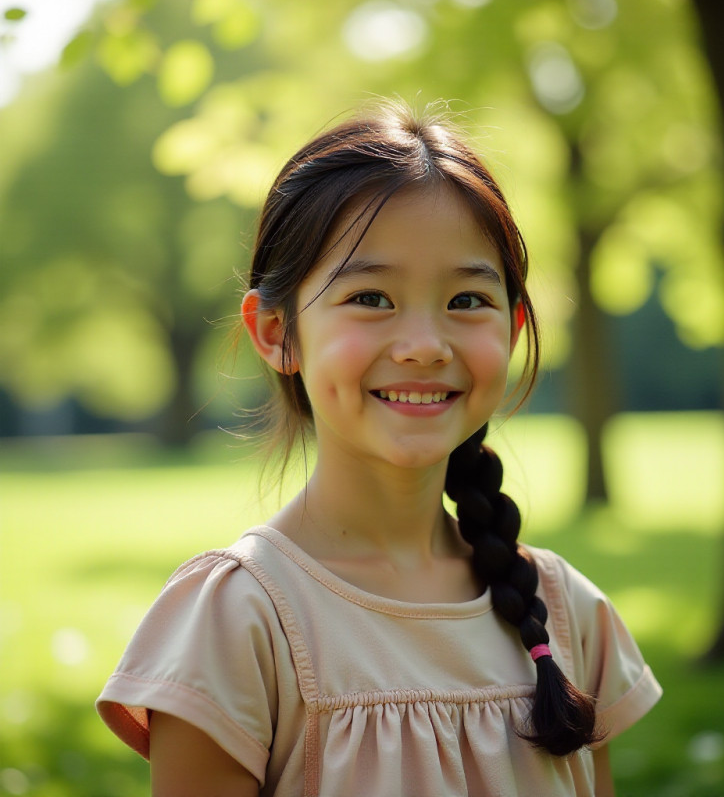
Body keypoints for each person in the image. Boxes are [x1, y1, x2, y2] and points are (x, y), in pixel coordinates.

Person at [97, 101, 662, 797]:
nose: (425, 345)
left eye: (465, 301)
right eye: (370, 297)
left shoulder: (568, 615)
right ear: (276, 331)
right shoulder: (239, 620)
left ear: (512, 330)